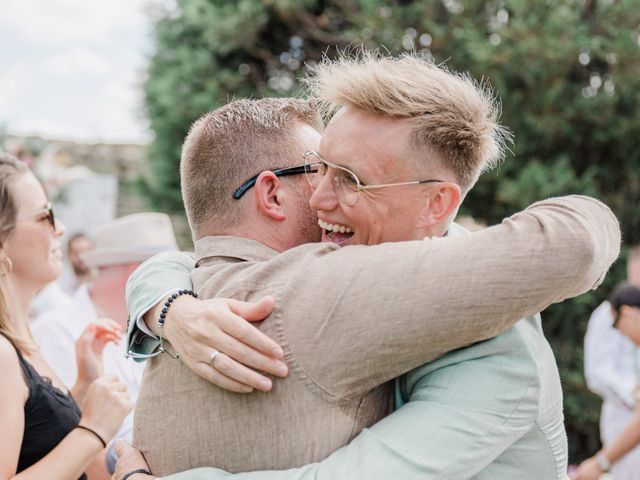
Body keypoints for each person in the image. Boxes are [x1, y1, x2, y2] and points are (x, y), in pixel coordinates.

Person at [118, 53, 619, 480]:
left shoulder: (497, 358)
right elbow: (195, 259)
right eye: (320, 169)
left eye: (351, 180)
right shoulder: (349, 268)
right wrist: (169, 308)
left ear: (436, 206)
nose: (316, 199)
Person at [0, 151, 132, 479]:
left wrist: (82, 390)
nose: (60, 228)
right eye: (46, 215)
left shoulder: (17, 342)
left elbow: (32, 445)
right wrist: (93, 430)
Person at [31, 213, 179, 473]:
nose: (175, 289)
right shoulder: (56, 331)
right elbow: (68, 437)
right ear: (140, 277)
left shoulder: (155, 327)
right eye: (167, 277)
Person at [584, 246, 640, 480]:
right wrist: (632, 392)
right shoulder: (606, 314)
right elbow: (597, 372)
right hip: (622, 416)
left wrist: (601, 463)